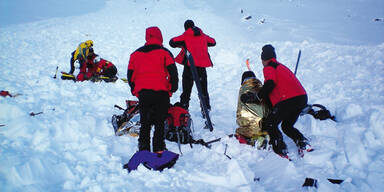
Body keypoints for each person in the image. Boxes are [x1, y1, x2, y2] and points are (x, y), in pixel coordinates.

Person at [244, 44, 309, 157]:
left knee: (270, 124)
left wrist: (257, 97)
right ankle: (303, 143)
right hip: (301, 98)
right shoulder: (280, 66)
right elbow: (274, 89)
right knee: (287, 126)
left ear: (263, 59)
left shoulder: (269, 67)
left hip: (289, 100)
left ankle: (280, 150)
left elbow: (270, 84)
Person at [127, 26, 178, 153]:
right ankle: (159, 148)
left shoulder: (135, 54)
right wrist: (172, 88)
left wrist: (135, 90)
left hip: (144, 92)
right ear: (160, 37)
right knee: (160, 122)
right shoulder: (165, 52)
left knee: (145, 122)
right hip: (161, 92)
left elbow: (130, 75)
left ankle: (143, 149)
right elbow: (173, 72)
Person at [169, 20, 216, 112]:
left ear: (186, 28)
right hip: (202, 68)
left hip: (190, 67)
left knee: (186, 91)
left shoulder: (185, 36)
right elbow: (213, 42)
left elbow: (172, 42)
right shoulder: (203, 35)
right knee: (203, 91)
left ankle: (183, 109)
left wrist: (183, 44)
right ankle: (206, 110)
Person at [236, 71, 270, 149]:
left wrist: (239, 121)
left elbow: (239, 109)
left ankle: (253, 139)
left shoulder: (243, 89)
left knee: (240, 131)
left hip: (252, 126)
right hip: (267, 124)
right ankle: (264, 136)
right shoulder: (262, 88)